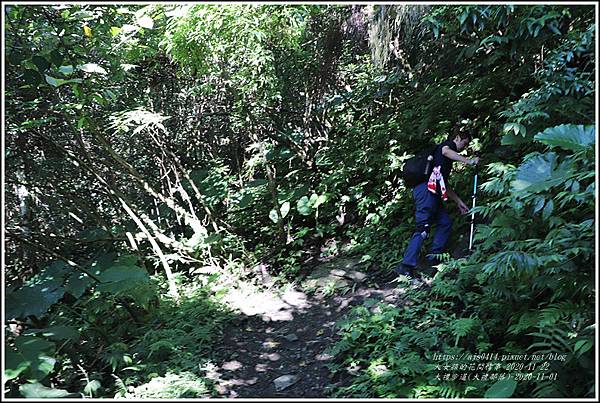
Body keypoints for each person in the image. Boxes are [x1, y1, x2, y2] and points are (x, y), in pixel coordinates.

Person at [395, 125, 480, 282]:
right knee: (423, 228)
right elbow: (446, 151)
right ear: (458, 138)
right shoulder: (446, 147)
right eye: (465, 143)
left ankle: (434, 259)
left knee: (445, 222)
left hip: (433, 192)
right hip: (426, 191)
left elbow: (444, 185)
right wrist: (468, 161)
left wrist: (459, 202)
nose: (464, 147)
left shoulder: (442, 162)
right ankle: (405, 267)